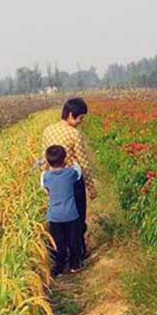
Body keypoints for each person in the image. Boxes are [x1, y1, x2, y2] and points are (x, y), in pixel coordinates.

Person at [38, 97, 97, 260]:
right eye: (80, 118)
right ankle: (78, 255)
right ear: (71, 115)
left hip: (53, 180)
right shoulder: (74, 134)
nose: (81, 122)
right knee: (77, 218)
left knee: (58, 219)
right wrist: (91, 187)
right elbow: (83, 163)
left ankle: (60, 256)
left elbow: (44, 156)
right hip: (72, 180)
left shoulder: (48, 130)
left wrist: (45, 180)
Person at [41, 145, 83, 277]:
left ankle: (59, 267)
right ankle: (75, 265)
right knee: (73, 241)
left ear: (48, 161)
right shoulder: (71, 173)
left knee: (58, 244)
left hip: (54, 217)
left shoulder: (45, 176)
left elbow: (45, 189)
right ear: (64, 159)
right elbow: (79, 171)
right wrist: (74, 159)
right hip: (71, 215)